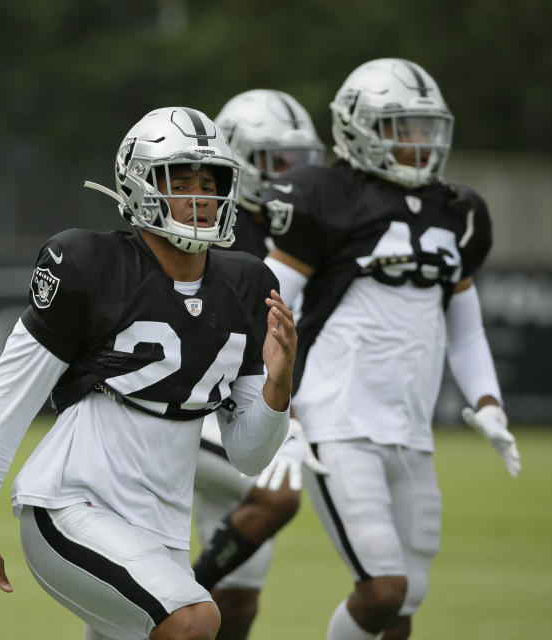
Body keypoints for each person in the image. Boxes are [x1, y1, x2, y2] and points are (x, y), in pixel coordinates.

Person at [0, 106, 297, 640]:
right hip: (69, 504)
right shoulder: (90, 263)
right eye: (181, 180)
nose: (201, 196)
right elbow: (5, 401)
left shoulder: (246, 282)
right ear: (139, 185)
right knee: (195, 623)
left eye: (211, 180)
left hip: (161, 527)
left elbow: (250, 455)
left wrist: (277, 384)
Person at [250, 58, 521, 639]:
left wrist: (489, 402)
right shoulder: (325, 196)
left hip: (411, 430)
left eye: (427, 127)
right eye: (404, 126)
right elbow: (264, 307)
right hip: (335, 420)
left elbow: (466, 329)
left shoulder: (458, 211)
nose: (421, 142)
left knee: (404, 605)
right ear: (357, 127)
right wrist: (276, 407)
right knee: (381, 589)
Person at [190, 88, 329, 640]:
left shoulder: (297, 229)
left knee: (241, 604)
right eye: (278, 161)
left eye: (301, 160)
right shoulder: (206, 225)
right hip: (193, 404)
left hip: (247, 406)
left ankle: (188, 600)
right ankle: (173, 605)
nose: (293, 174)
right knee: (277, 495)